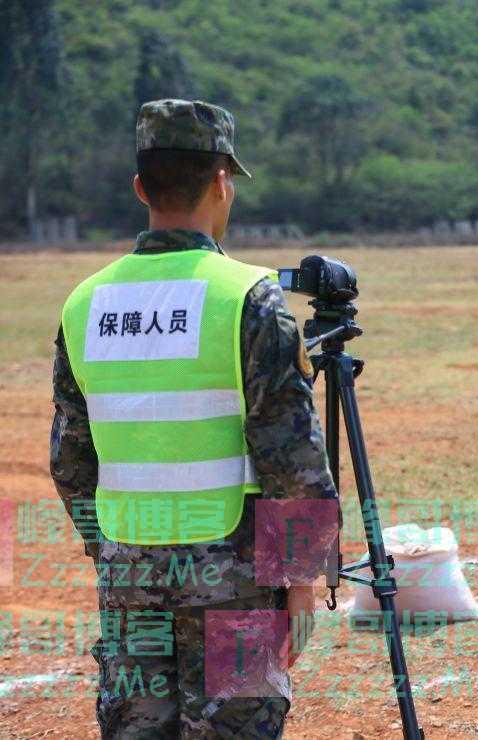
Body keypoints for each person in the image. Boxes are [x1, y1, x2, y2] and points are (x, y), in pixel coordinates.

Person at [50, 99, 339, 738]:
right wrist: (297, 579)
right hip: (231, 574)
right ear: (220, 183)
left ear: (139, 188)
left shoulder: (86, 302)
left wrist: (114, 552)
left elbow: (70, 461)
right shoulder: (247, 297)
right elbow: (291, 457)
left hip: (130, 569)